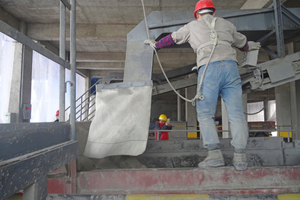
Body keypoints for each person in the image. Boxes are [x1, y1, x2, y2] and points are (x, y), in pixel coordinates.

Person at [144, 0, 261, 170]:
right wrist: (250, 46)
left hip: (209, 69)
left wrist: (156, 45)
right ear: (213, 13)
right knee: (236, 115)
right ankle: (241, 158)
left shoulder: (192, 25)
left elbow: (173, 38)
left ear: (198, 14)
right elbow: (244, 45)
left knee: (205, 113)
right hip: (231, 68)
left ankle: (214, 155)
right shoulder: (227, 24)